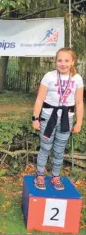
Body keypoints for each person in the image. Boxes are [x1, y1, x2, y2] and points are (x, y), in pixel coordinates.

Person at [32, 47, 84, 190]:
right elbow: (39, 99)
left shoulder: (77, 78)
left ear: (72, 62)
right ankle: (40, 175)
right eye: (60, 60)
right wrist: (35, 118)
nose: (63, 63)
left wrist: (79, 122)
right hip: (48, 117)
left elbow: (79, 103)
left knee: (59, 150)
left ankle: (55, 176)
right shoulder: (49, 76)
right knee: (45, 147)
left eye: (67, 60)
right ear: (56, 62)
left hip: (67, 118)